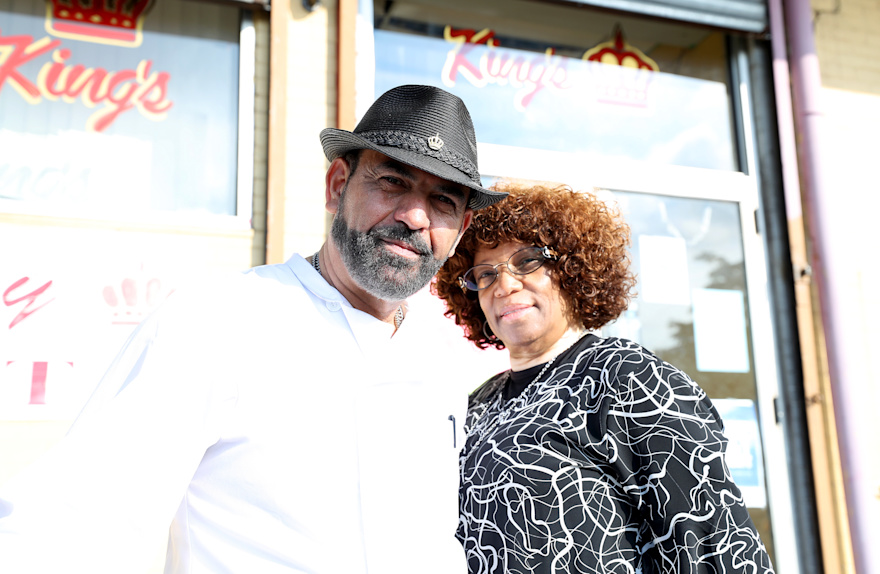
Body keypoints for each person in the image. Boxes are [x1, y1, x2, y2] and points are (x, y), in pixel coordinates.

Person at [0, 85, 507, 574]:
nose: (415, 216)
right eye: (392, 182)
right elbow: (73, 522)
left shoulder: (440, 369)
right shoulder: (216, 323)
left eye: (443, 201)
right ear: (337, 186)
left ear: (458, 230)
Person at [433, 183, 776, 574]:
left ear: (571, 269)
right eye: (486, 274)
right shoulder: (477, 404)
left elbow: (716, 545)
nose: (505, 285)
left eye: (527, 262)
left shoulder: (629, 378)